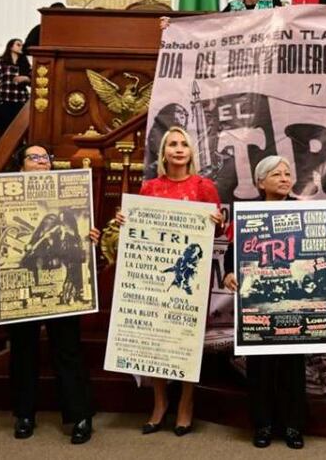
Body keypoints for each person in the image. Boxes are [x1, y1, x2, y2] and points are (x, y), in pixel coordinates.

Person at [0, 143, 99, 444]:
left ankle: (80, 415)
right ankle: (24, 414)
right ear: (20, 166)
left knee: (68, 348)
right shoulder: (0, 193)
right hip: (27, 280)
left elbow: (79, 238)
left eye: (45, 158)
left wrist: (90, 238)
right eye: (33, 157)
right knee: (22, 349)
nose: (40, 162)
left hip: (62, 278)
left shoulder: (67, 198)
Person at [223, 155, 326, 450]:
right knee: (259, 368)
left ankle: (292, 426)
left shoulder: (305, 213)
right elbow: (231, 253)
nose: (285, 178)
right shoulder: (247, 216)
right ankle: (262, 425)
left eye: (288, 173)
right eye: (277, 174)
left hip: (295, 304)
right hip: (258, 305)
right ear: (261, 181)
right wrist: (227, 274)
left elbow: (319, 247)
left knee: (292, 367)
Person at [115, 126, 225, 436]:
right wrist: (126, 220)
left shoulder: (205, 187)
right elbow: (139, 230)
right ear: (163, 153)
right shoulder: (150, 188)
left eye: (183, 144)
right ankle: (160, 402)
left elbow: (216, 236)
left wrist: (218, 223)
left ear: (191, 152)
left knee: (187, 340)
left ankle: (186, 404)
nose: (178, 149)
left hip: (191, 277)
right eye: (172, 144)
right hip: (155, 276)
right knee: (157, 338)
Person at [0, 38, 32, 134]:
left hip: (20, 98)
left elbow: (33, 81)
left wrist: (26, 78)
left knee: (19, 127)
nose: (21, 47)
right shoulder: (0, 61)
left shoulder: (25, 63)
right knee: (5, 126)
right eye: (18, 44)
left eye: (22, 45)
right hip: (4, 97)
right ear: (10, 46)